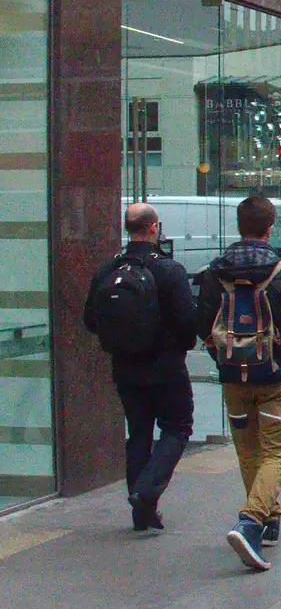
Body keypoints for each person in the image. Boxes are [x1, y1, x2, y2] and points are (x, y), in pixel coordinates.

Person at [195, 195, 281, 571]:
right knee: (277, 450)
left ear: (238, 226)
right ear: (270, 226)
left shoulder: (214, 273)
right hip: (275, 375)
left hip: (232, 375)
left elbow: (202, 324)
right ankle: (250, 521)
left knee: (247, 449)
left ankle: (268, 520)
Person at [83, 202, 197, 532]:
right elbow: (187, 322)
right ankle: (145, 493)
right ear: (153, 228)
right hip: (165, 365)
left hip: (125, 366)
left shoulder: (108, 269)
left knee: (139, 434)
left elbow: (91, 320)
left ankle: (141, 513)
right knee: (177, 427)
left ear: (127, 228)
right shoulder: (169, 270)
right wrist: (178, 346)